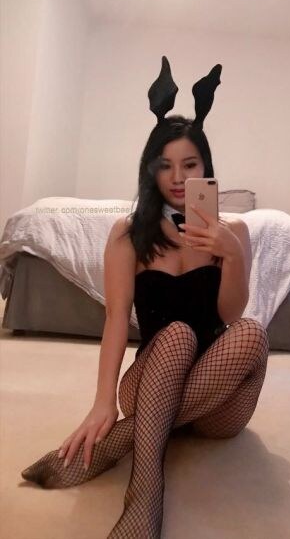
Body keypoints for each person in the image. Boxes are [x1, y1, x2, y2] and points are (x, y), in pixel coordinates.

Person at [20, 58, 270, 538]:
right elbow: (117, 318)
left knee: (252, 333)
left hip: (218, 402)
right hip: (152, 379)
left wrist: (232, 254)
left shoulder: (234, 231)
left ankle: (118, 443)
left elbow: (230, 314)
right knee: (176, 335)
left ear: (205, 168)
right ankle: (144, 493)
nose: (177, 177)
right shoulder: (127, 233)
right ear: (150, 170)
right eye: (165, 165)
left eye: (189, 165)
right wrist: (102, 402)